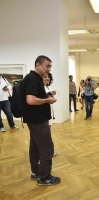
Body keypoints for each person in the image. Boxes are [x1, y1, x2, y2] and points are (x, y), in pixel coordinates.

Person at [21, 55, 61, 186]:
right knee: (47, 148)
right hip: (38, 121)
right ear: (38, 65)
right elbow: (31, 100)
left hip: (35, 120)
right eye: (47, 66)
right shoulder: (33, 79)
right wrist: (48, 100)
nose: (49, 69)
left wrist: (47, 96)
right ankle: (44, 178)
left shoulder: (34, 78)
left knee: (35, 147)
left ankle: (36, 172)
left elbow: (35, 96)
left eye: (50, 66)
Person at [43, 73, 59, 157]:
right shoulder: (40, 88)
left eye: (48, 77)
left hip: (48, 113)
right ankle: (49, 152)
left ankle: (49, 151)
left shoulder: (46, 87)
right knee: (46, 134)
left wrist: (51, 93)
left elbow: (46, 97)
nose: (47, 78)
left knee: (47, 133)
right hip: (44, 115)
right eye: (45, 77)